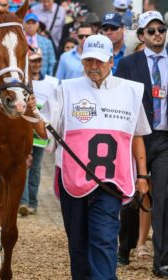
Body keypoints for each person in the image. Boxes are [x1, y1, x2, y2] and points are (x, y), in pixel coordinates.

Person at [26, 34, 150, 279]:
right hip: (73, 181)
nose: (94, 66)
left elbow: (137, 136)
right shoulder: (65, 89)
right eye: (88, 61)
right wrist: (31, 113)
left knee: (104, 241)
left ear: (111, 61)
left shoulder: (131, 92)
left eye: (99, 61)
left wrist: (143, 175)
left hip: (111, 184)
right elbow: (44, 131)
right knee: (78, 247)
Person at [115, 11, 168, 277]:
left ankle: (162, 261)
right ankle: (124, 249)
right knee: (132, 195)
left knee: (162, 198)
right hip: (136, 136)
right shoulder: (128, 64)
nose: (158, 34)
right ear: (142, 36)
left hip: (164, 138)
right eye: (151, 30)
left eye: (161, 29)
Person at [19, 48, 57, 216]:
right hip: (23, 128)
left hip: (40, 129)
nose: (36, 64)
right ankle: (23, 202)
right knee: (22, 165)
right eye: (33, 61)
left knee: (36, 167)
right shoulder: (20, 82)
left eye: (39, 60)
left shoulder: (52, 82)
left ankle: (32, 202)